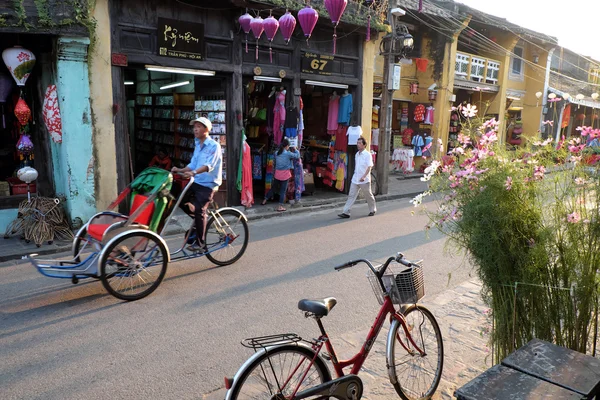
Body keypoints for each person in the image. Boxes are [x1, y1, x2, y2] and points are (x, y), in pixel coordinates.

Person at [171, 117, 222, 252]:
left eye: (199, 126)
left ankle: (201, 243)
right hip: (197, 181)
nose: (195, 129)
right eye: (194, 127)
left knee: (199, 210)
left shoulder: (214, 146)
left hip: (208, 184)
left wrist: (193, 172)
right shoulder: (197, 144)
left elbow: (208, 166)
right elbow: (193, 164)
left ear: (206, 129)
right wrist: (180, 170)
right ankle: (198, 223)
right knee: (180, 201)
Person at [338, 136, 376, 218]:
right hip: (355, 178)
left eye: (359, 143)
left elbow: (369, 167)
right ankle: (346, 211)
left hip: (364, 180)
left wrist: (364, 176)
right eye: (357, 143)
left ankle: (372, 209)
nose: (358, 145)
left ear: (364, 145)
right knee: (351, 195)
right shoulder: (357, 154)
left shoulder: (367, 154)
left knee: (368, 195)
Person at [261, 138, 299, 212]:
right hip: (285, 175)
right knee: (282, 191)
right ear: (287, 146)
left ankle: (264, 200)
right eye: (288, 146)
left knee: (273, 189)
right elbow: (297, 156)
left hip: (277, 174)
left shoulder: (276, 153)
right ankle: (280, 206)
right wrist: (295, 149)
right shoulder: (288, 153)